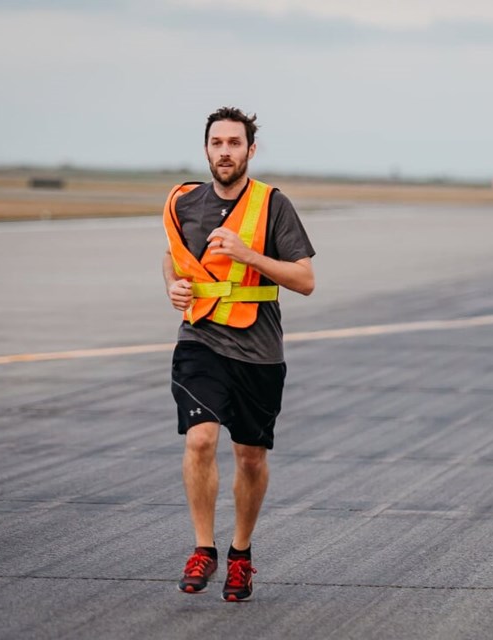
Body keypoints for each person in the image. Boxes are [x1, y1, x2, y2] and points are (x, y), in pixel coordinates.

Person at [161, 106, 315, 601]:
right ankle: (203, 547)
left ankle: (241, 554)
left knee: (250, 457)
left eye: (233, 143)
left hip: (258, 351)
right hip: (200, 340)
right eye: (216, 143)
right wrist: (174, 287)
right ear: (206, 149)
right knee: (200, 440)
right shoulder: (186, 203)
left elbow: (305, 281)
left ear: (250, 150)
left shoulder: (273, 205)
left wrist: (248, 254)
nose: (224, 152)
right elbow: (172, 256)